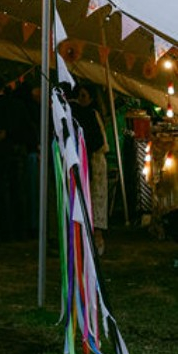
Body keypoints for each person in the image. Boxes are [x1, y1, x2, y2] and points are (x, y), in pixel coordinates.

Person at [0, 76, 36, 240]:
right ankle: (21, 228)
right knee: (19, 190)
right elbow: (28, 129)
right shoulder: (17, 105)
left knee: (3, 191)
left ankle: (7, 229)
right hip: (17, 151)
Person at [72, 83, 109, 255]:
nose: (80, 99)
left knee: (96, 199)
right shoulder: (80, 114)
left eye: (84, 96)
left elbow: (98, 141)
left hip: (94, 161)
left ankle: (97, 238)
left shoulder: (92, 114)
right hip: (85, 162)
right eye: (79, 96)